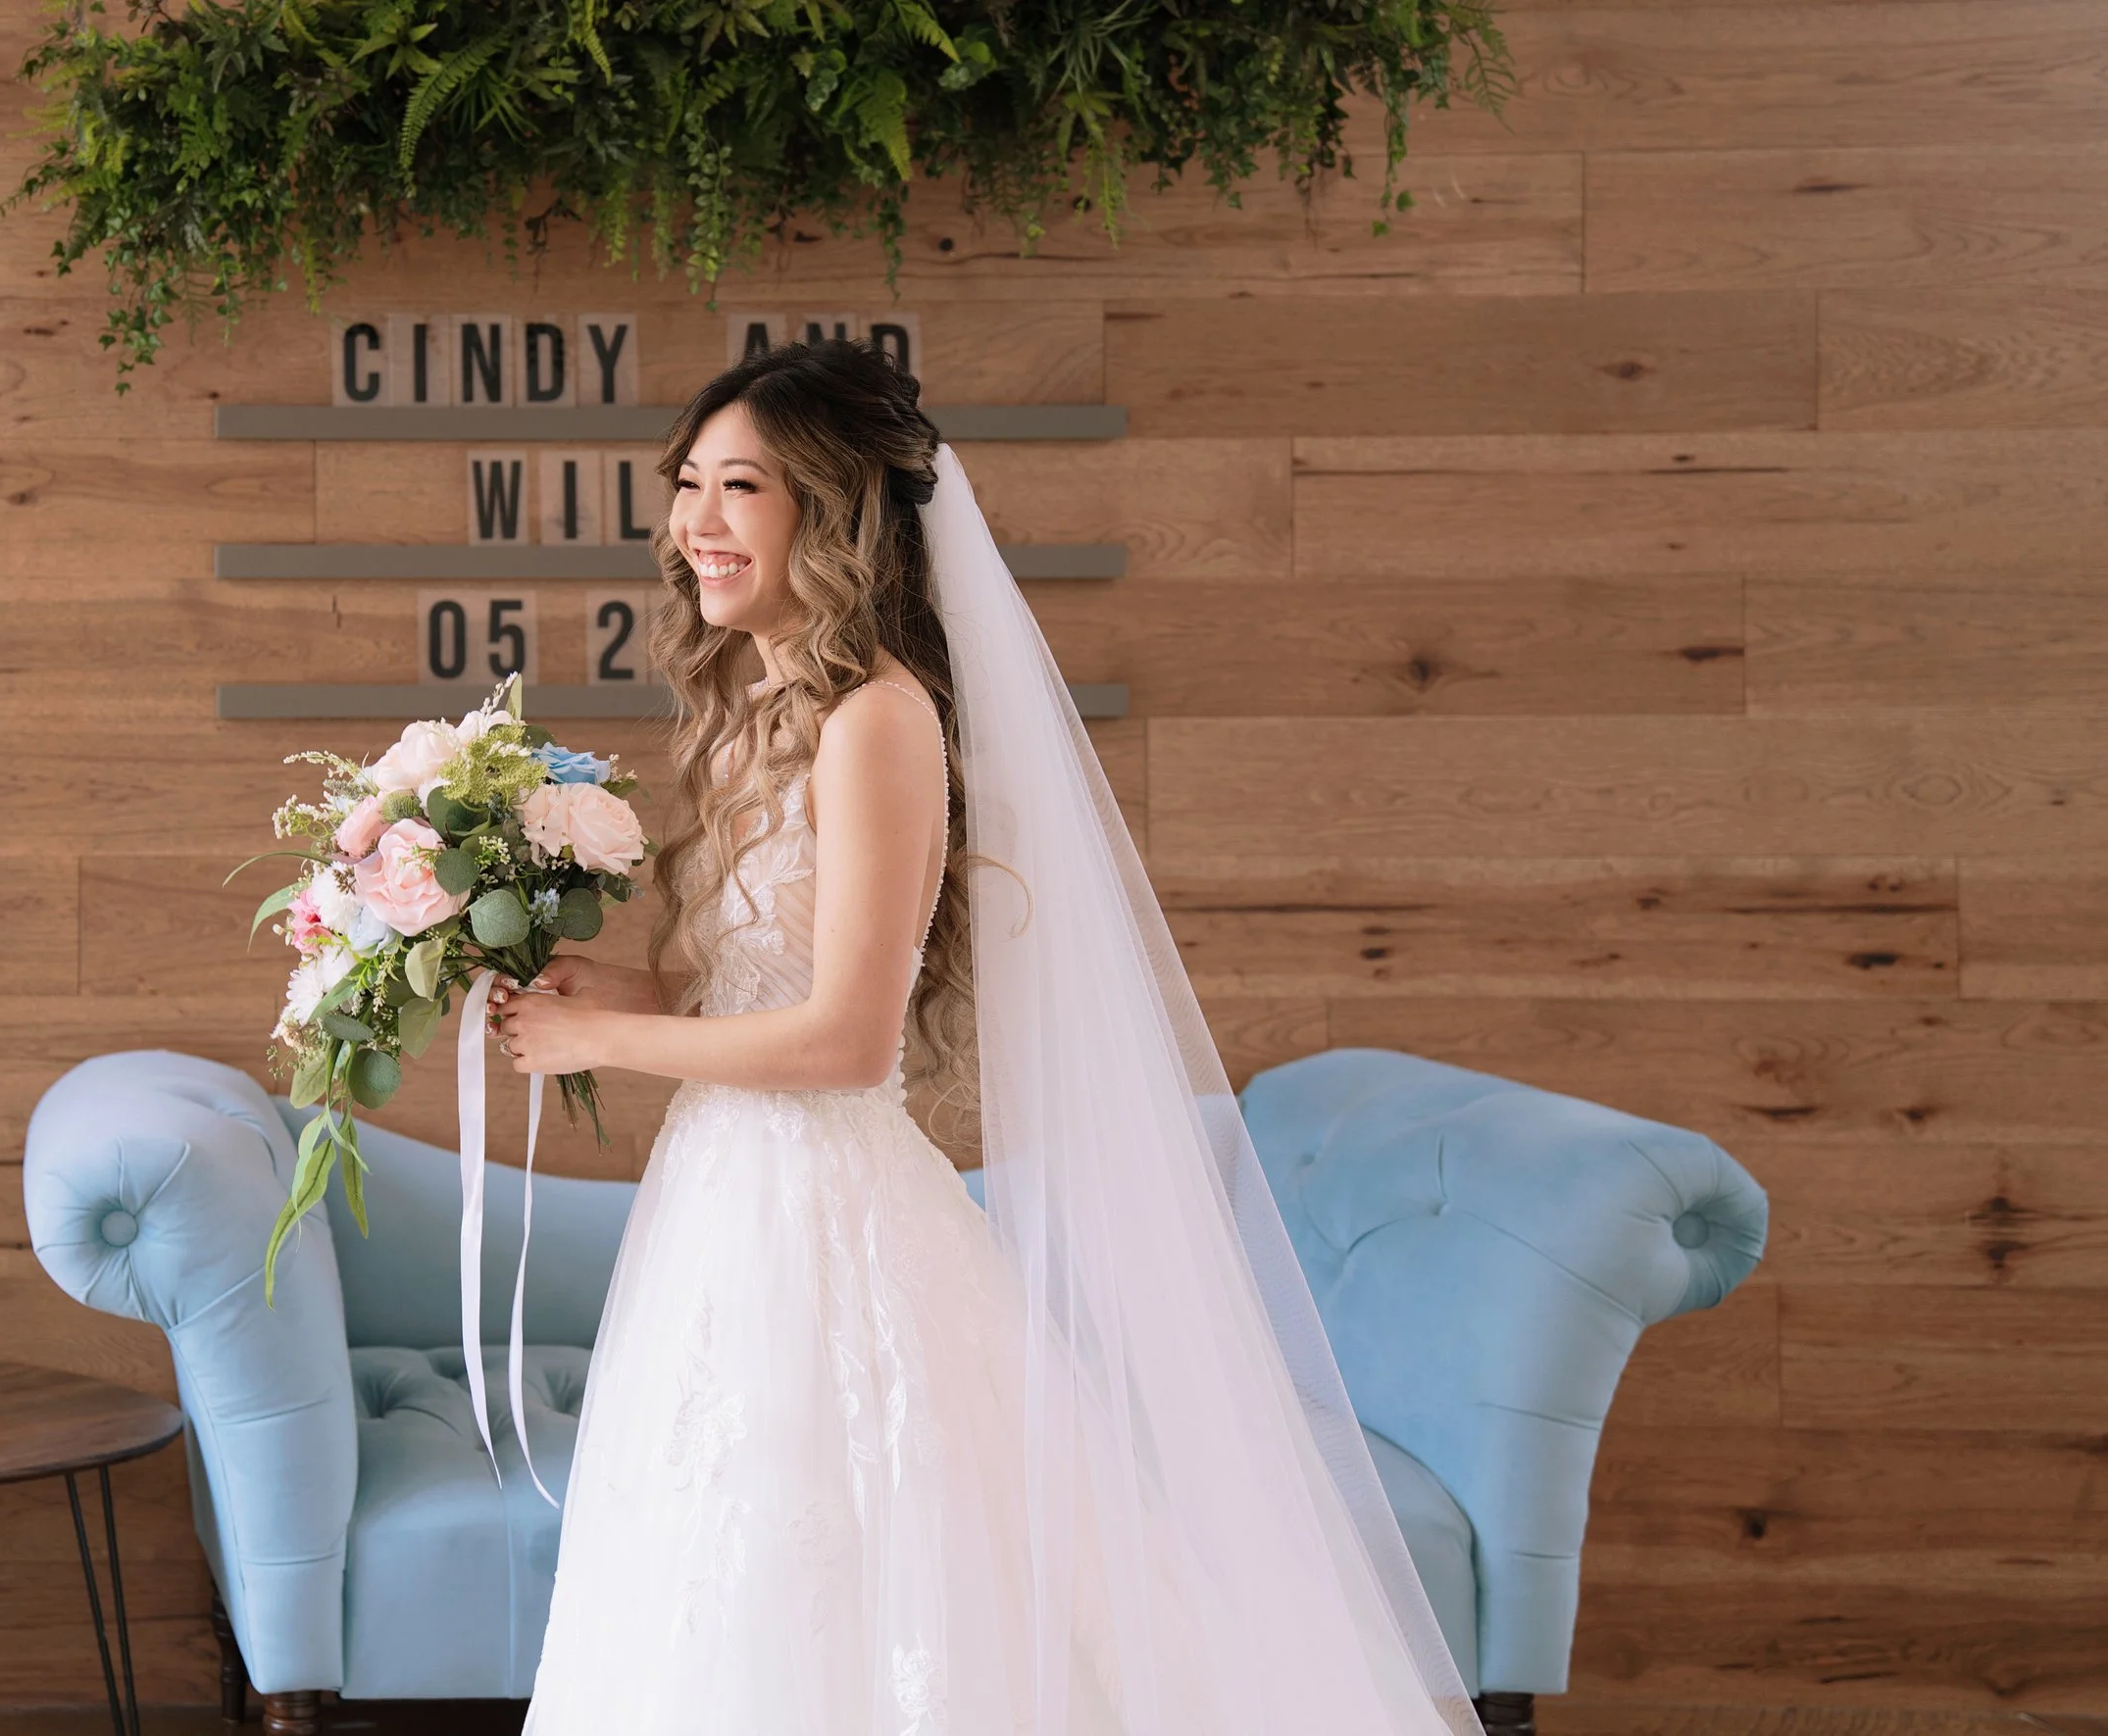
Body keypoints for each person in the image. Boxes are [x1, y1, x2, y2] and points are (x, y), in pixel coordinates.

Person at [486, 339, 1480, 1735]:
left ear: (829, 512)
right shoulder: (752, 718)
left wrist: (607, 1048)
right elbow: (741, 995)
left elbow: (842, 1040)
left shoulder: (879, 722)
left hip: (831, 1215)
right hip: (719, 1214)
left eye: (742, 486)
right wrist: (594, 996)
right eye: (688, 485)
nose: (696, 523)